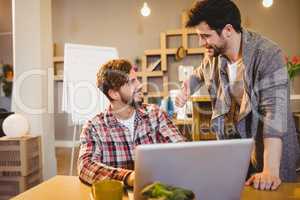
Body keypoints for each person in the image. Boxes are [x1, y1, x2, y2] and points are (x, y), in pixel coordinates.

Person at [176, 0, 299, 191]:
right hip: (240, 154)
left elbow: (274, 116)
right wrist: (186, 89)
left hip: (271, 154)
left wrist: (270, 170)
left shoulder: (267, 54)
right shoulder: (214, 55)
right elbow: (200, 73)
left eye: (205, 36)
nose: (201, 43)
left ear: (227, 30)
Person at [78, 59, 185, 187]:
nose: (140, 85)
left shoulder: (155, 114)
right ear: (114, 94)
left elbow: (181, 150)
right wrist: (128, 177)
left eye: (137, 79)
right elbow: (85, 166)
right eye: (132, 82)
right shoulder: (94, 127)